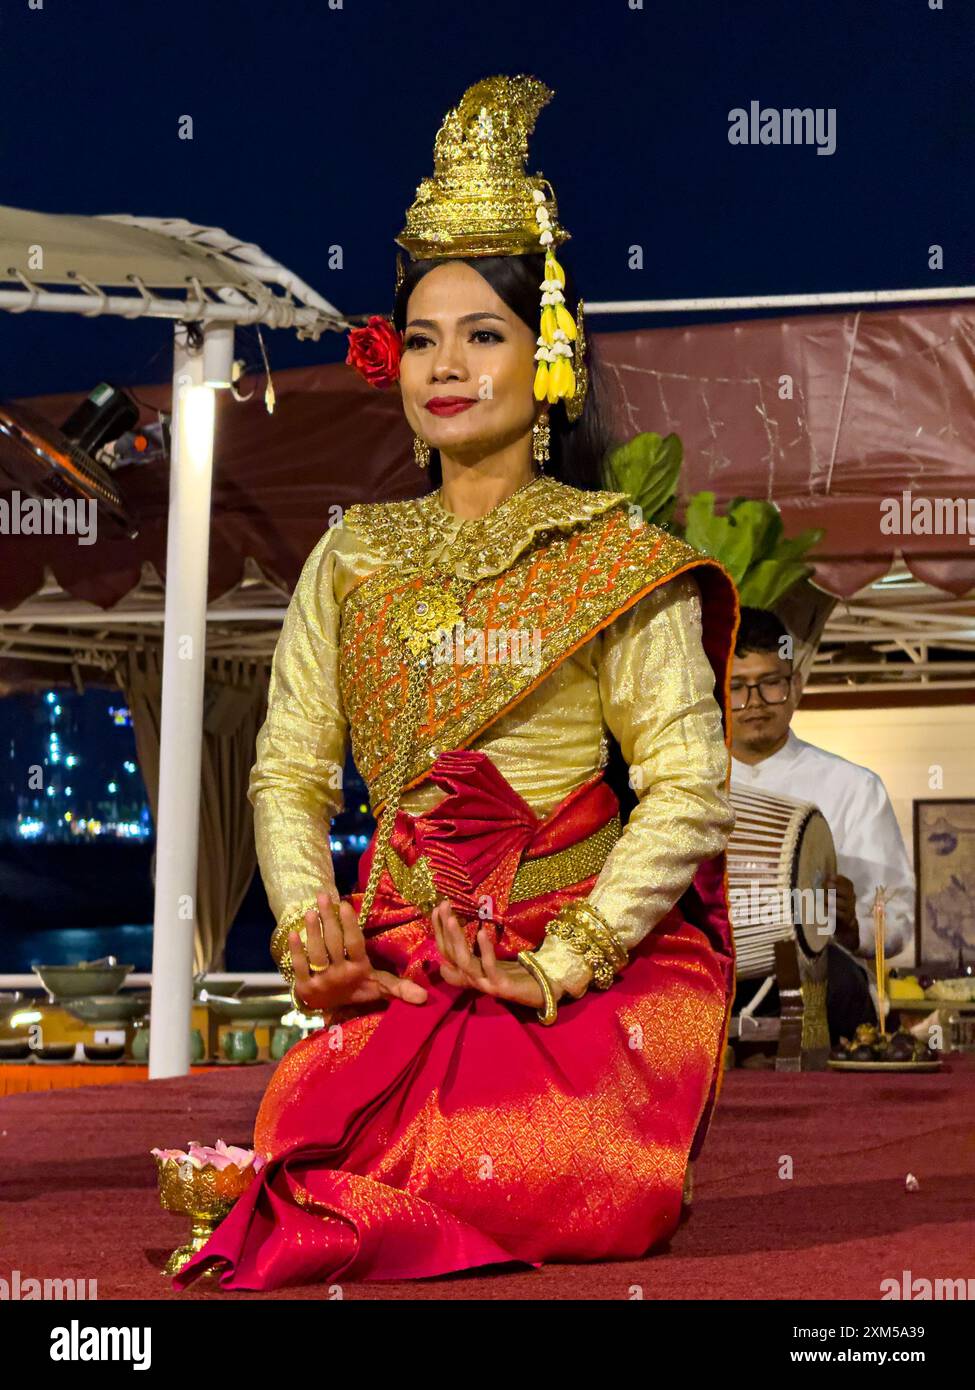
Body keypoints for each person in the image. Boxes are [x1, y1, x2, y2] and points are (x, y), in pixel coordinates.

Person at [174, 74, 740, 1292]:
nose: (446, 364)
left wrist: (560, 959)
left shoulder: (613, 558)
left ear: (548, 353)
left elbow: (690, 785)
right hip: (396, 962)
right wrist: (307, 926)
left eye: (482, 333)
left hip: (567, 974)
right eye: (421, 336)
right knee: (315, 1132)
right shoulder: (352, 552)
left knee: (525, 1163)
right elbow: (286, 766)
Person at [729, 607, 914, 1042]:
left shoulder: (853, 787)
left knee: (839, 982)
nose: (754, 702)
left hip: (824, 992)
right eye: (736, 687)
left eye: (770, 683)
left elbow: (898, 919)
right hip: (707, 986)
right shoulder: (683, 787)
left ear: (795, 686)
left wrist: (852, 926)